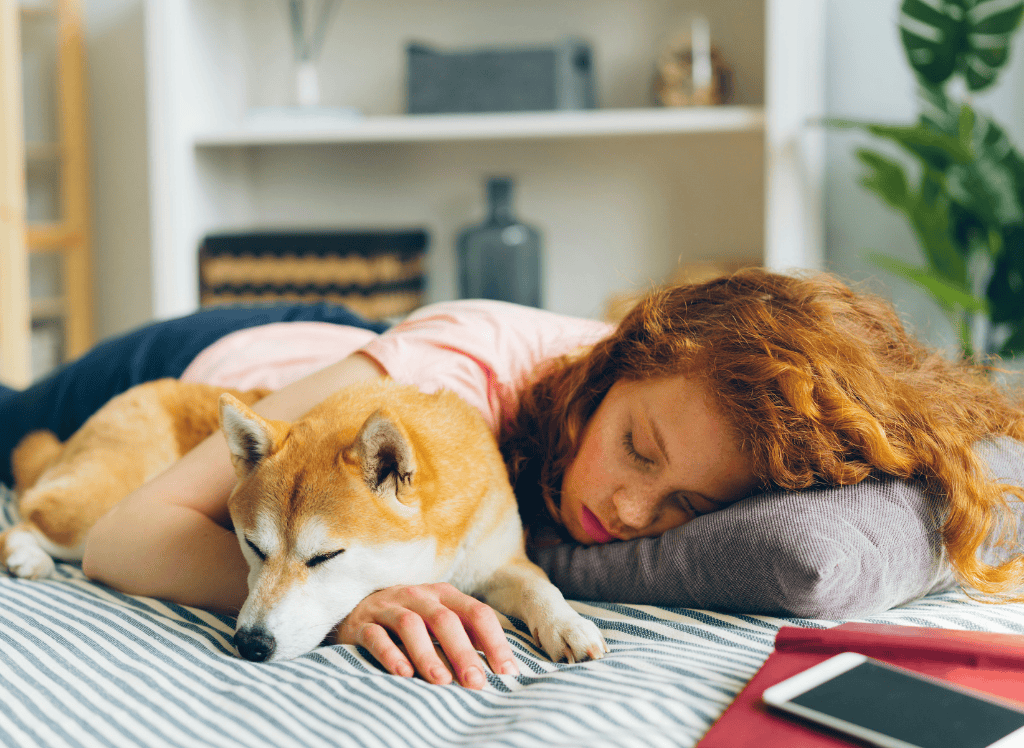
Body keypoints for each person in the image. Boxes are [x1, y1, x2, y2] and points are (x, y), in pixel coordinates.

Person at [3, 269, 1024, 691]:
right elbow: (128, 532)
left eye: (685, 507)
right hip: (203, 373)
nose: (628, 511)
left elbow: (964, 469)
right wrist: (344, 595)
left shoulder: (710, 420)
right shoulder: (458, 367)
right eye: (636, 448)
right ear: (622, 358)